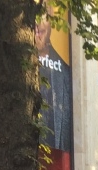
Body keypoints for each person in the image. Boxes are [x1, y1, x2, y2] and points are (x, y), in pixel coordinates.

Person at [35, 15, 73, 152]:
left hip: (56, 161)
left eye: (41, 15)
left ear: (50, 23)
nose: (37, 23)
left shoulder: (66, 74)